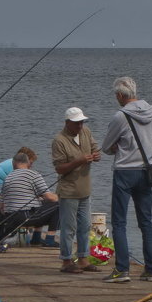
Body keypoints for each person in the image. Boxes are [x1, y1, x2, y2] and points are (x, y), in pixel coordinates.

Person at [99, 75, 152, 283]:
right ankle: (151, 270)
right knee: (146, 222)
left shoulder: (120, 116)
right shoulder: (151, 112)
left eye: (116, 95)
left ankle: (122, 270)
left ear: (121, 95)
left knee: (119, 222)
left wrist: (117, 147)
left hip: (125, 171)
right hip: (146, 170)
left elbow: (106, 147)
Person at [51, 106, 101, 274]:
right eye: (76, 123)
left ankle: (83, 259)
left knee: (85, 226)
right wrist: (79, 161)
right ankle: (66, 261)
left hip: (85, 189)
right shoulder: (59, 140)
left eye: (81, 122)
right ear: (67, 123)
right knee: (68, 227)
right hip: (69, 190)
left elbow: (95, 147)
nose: (80, 126)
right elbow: (59, 168)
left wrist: (96, 155)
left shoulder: (85, 132)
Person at [0, 151, 59, 246]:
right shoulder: (33, 175)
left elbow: (1, 206)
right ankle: (50, 239)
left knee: (40, 205)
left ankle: (36, 239)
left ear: (14, 163)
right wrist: (62, 197)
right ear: (28, 162)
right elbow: (51, 197)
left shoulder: (8, 177)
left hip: (10, 219)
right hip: (24, 217)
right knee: (58, 205)